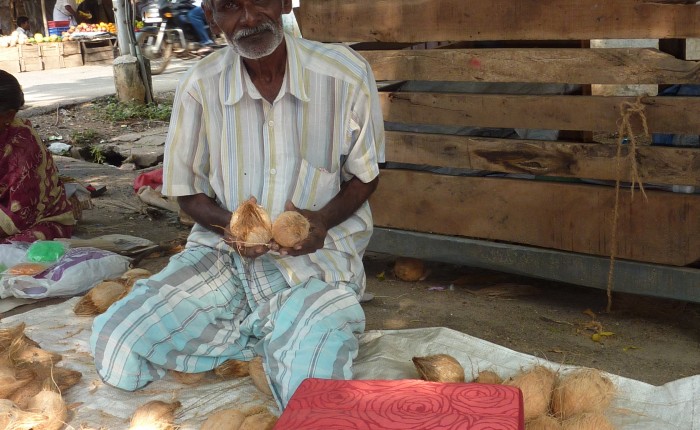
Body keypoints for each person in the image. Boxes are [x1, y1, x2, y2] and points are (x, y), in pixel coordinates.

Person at [90, 0, 385, 410]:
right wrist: (232, 226)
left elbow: (366, 174)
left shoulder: (344, 73)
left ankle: (262, 338)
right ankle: (257, 341)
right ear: (211, 17)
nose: (248, 18)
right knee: (118, 341)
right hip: (223, 257)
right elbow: (186, 189)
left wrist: (321, 221)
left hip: (318, 267)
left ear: (283, 2)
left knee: (309, 381)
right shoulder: (201, 84)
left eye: (259, 0)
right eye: (229, 7)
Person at [0, 70, 75, 244]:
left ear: (9, 115)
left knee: (22, 247)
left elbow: (20, 214)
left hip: (34, 220)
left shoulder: (22, 146)